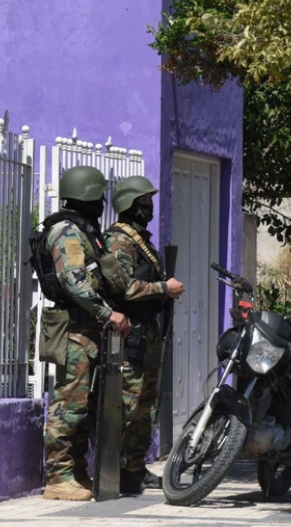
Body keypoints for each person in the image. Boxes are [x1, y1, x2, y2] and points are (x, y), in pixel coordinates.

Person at [39, 165, 131, 501]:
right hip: (74, 328)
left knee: (86, 405)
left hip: (88, 328)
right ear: (88, 196)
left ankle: (76, 471)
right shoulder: (66, 231)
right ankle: (58, 477)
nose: (102, 202)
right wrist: (108, 313)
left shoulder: (84, 229)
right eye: (98, 196)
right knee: (69, 403)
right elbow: (73, 281)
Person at [103, 175, 185, 494]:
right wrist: (164, 288)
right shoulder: (119, 241)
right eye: (143, 201)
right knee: (129, 402)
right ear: (128, 204)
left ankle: (134, 469)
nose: (149, 207)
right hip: (129, 335)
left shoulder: (140, 239)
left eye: (150, 201)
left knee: (144, 405)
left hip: (147, 332)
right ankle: (118, 468)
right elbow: (122, 288)